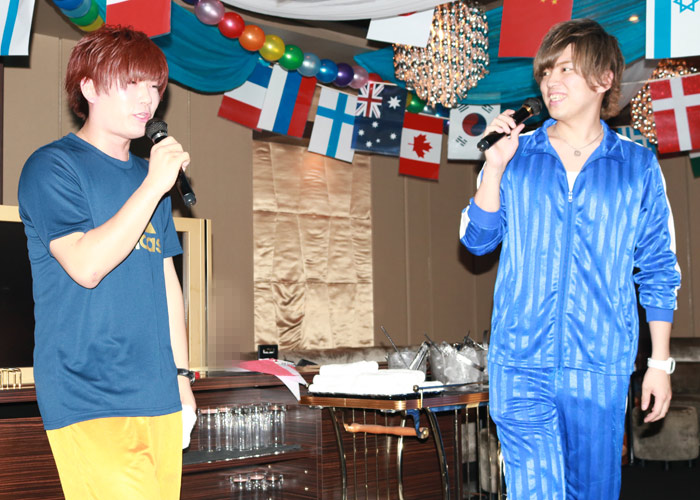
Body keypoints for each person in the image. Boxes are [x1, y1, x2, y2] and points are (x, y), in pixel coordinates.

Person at [459, 19, 680, 500]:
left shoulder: (637, 166)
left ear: (604, 79)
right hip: (520, 361)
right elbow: (477, 241)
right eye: (545, 72)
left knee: (592, 491)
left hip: (600, 363)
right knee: (535, 490)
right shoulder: (515, 156)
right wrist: (493, 170)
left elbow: (659, 268)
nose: (550, 82)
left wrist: (659, 364)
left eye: (565, 69)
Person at [18, 26, 196, 500]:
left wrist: (182, 380)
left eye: (154, 85)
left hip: (158, 392)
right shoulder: (52, 167)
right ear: (89, 88)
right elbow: (86, 266)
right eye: (131, 83)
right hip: (89, 394)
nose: (148, 98)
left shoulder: (148, 178)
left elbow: (166, 282)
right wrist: (154, 185)